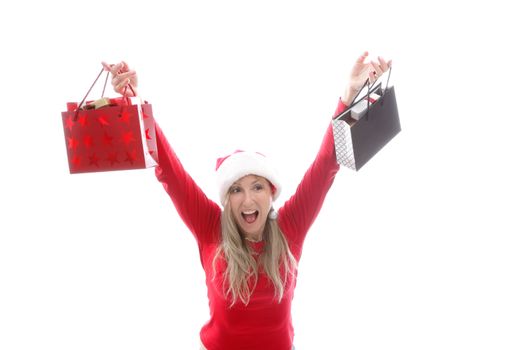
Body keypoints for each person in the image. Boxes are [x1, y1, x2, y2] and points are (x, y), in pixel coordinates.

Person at [102, 52, 392, 350]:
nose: (248, 199)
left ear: (271, 192)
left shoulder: (290, 226)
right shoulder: (210, 226)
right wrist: (134, 103)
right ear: (227, 199)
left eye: (257, 187)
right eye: (236, 190)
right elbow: (168, 168)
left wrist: (349, 97)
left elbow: (326, 163)